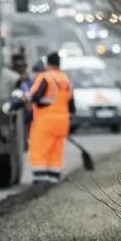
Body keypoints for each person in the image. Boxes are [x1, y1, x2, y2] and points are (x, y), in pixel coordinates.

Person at [27, 52, 74, 185]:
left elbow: (35, 96)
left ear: (47, 64)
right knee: (56, 151)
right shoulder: (65, 79)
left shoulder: (45, 77)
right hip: (63, 122)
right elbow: (72, 105)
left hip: (45, 120)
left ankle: (41, 181)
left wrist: (23, 99)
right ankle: (53, 180)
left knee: (40, 149)